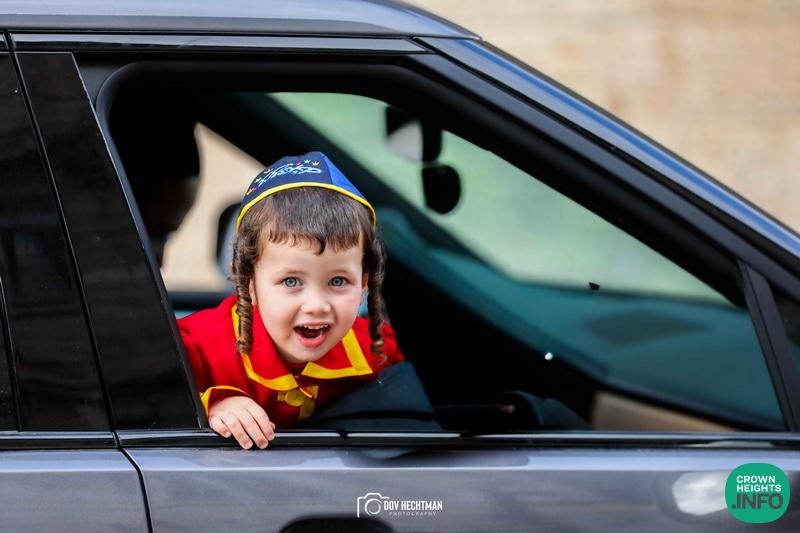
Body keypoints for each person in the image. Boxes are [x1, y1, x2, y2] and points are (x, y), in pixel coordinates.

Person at [178, 151, 405, 449]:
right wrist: (209, 406)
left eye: (338, 281)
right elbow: (142, 409)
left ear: (363, 284)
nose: (316, 305)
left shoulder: (376, 351)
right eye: (291, 281)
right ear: (248, 283)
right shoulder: (192, 348)